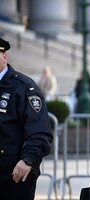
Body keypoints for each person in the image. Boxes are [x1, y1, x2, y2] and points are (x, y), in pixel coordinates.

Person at [0, 37, 53, 200]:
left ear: (4, 57)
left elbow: (40, 132)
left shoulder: (23, 87)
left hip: (14, 174)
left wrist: (28, 160)